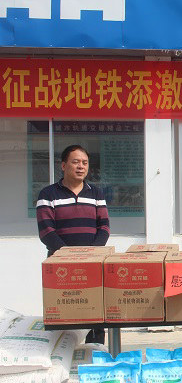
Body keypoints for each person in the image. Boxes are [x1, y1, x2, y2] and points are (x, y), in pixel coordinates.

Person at [37, 145, 110, 343]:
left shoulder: (96, 193)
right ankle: (62, 354)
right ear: (63, 165)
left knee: (95, 312)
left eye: (85, 163)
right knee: (63, 313)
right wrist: (69, 256)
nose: (81, 166)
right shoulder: (48, 194)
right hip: (60, 265)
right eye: (75, 162)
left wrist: (90, 255)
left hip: (92, 264)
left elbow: (104, 227)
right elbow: (46, 231)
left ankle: (95, 352)